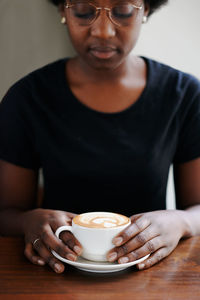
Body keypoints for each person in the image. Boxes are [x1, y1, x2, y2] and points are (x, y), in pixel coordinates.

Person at [0, 0, 200, 274]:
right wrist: (27, 222)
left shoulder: (184, 96)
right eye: (83, 10)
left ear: (146, 9)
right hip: (52, 276)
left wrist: (181, 221)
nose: (104, 31)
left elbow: (197, 209)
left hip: (148, 278)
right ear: (62, 10)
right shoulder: (27, 98)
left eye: (123, 11)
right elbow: (6, 213)